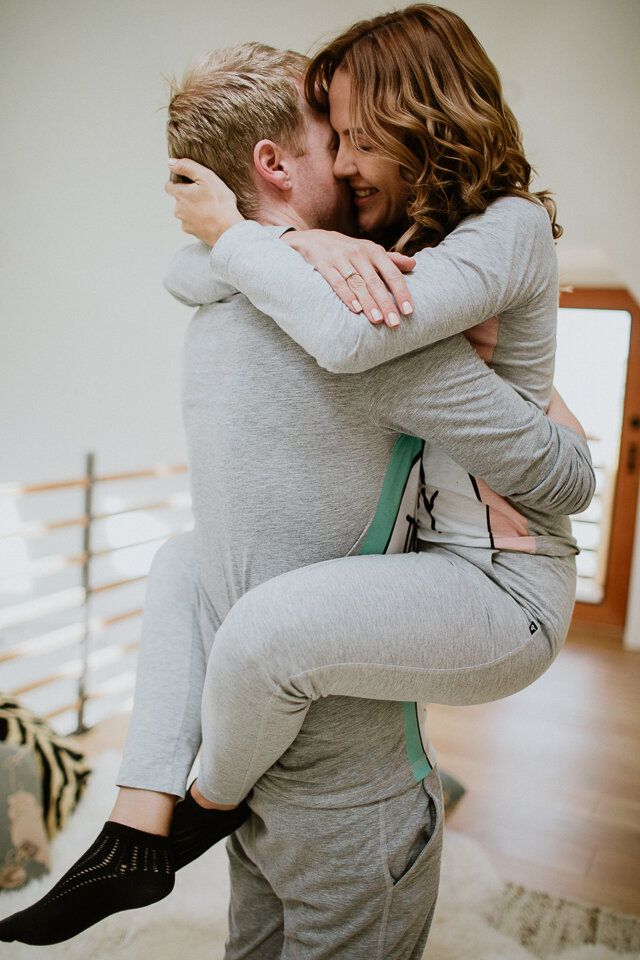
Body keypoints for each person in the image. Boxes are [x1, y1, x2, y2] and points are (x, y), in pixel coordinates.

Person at [0, 21, 593, 958]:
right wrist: (285, 244)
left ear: (416, 118)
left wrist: (257, 239)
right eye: (338, 140)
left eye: (357, 135)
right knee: (182, 560)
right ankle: (133, 816)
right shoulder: (368, 248)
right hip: (437, 552)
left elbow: (360, 343)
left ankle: (196, 813)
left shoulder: (503, 230)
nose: (351, 162)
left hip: (507, 575)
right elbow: (186, 268)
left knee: (266, 634)